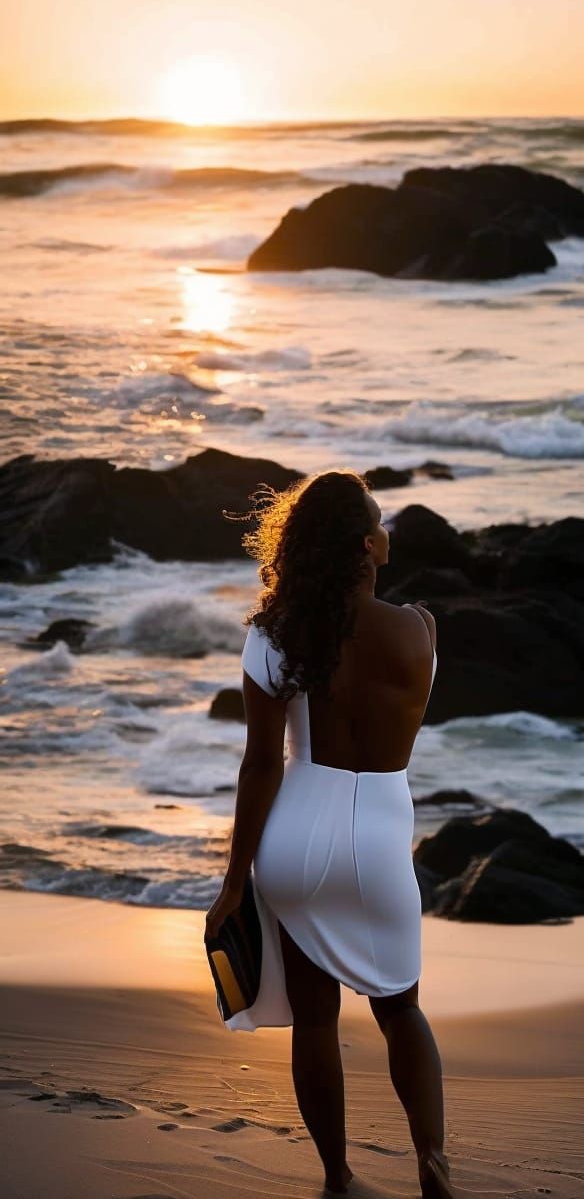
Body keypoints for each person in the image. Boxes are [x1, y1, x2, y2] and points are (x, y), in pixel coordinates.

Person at [205, 468, 453, 1198]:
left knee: (317, 1022)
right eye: (380, 522)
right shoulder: (420, 630)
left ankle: (337, 1177)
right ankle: (431, 1159)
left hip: (296, 842)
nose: (387, 533)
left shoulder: (276, 635)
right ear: (369, 544)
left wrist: (232, 883)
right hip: (379, 842)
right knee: (401, 1008)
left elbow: (259, 767)